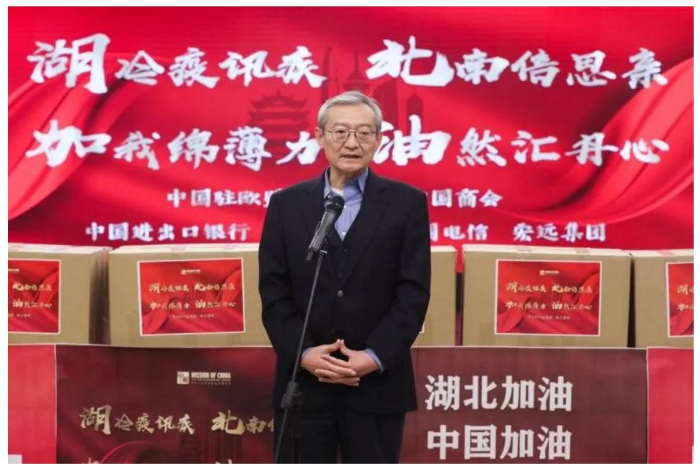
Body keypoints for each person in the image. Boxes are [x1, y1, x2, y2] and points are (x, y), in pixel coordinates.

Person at [259, 90, 430, 463]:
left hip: (376, 387)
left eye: (364, 133)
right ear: (320, 137)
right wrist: (305, 354)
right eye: (340, 132)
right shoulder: (287, 204)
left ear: (378, 140)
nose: (352, 143)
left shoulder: (407, 203)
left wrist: (373, 356)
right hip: (304, 387)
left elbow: (413, 293)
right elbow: (274, 292)